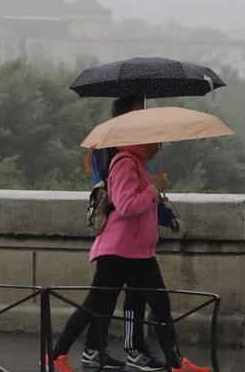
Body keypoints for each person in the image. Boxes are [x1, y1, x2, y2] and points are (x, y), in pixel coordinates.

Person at [48, 138, 210, 371]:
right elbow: (126, 206)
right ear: (143, 142)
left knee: (159, 303)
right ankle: (56, 357)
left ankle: (176, 363)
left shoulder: (137, 163)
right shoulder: (125, 163)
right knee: (95, 305)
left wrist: (163, 209)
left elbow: (143, 204)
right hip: (119, 251)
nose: (160, 147)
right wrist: (155, 188)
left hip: (137, 251)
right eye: (157, 143)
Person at [80, 97, 180, 371]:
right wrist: (155, 193)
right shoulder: (118, 152)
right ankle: (133, 350)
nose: (144, 118)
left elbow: (140, 192)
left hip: (127, 239)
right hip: (122, 240)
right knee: (117, 298)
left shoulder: (124, 150)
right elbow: (125, 199)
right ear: (127, 115)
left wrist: (165, 214)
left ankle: (92, 349)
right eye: (140, 111)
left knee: (106, 298)